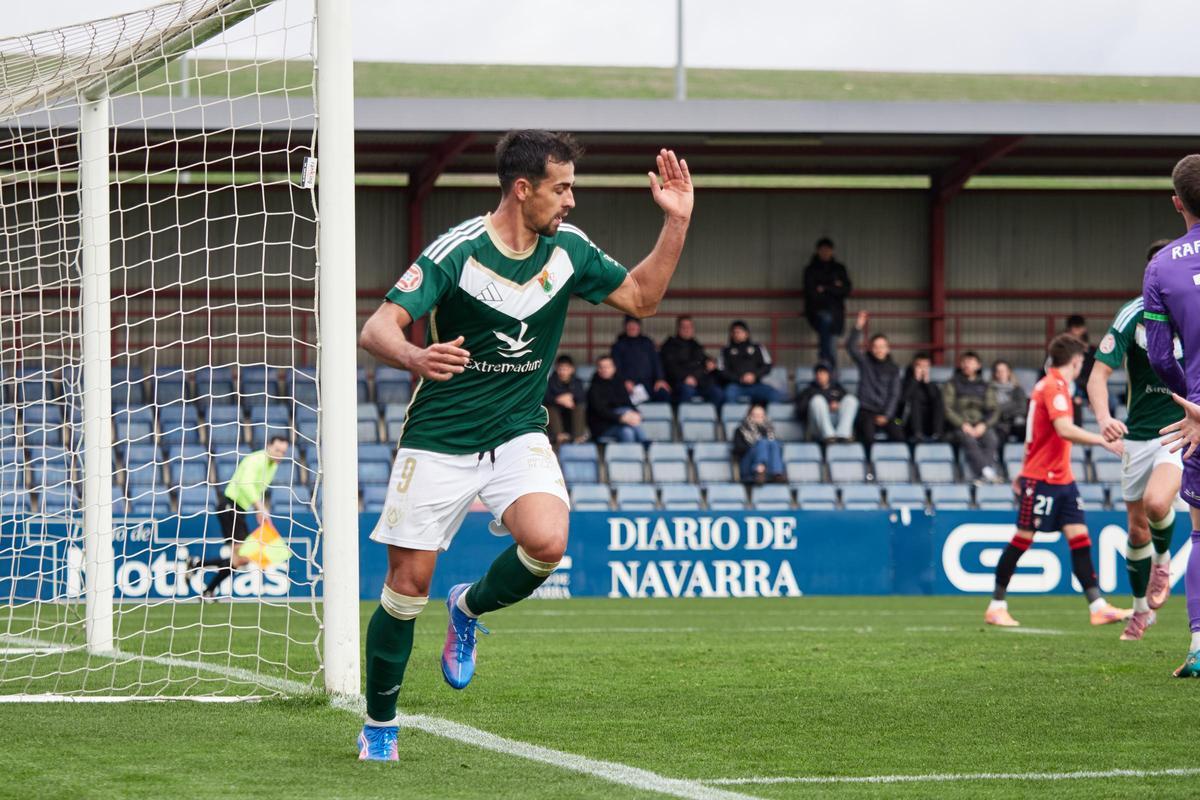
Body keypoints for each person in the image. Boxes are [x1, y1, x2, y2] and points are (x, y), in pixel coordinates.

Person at [354, 130, 693, 759]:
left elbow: (643, 300)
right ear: (523, 189)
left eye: (571, 188)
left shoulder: (568, 251)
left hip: (517, 431)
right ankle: (379, 724)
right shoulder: (458, 252)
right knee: (406, 588)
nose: (569, 201)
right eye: (561, 188)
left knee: (547, 542)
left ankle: (470, 607)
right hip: (440, 436)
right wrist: (413, 353)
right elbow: (377, 328)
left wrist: (675, 223)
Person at [984, 334, 1129, 629]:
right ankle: (996, 605)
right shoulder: (1053, 387)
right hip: (1041, 479)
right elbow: (1063, 429)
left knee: (1080, 538)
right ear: (1076, 361)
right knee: (1023, 539)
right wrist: (1102, 440)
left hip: (1062, 479)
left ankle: (1097, 606)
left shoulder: (1056, 385)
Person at [1088, 240, 1183, 641]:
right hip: (1138, 435)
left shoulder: (1192, 308)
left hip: (1179, 431)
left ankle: (1164, 562)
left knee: (1157, 503)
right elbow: (1097, 376)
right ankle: (1140, 611)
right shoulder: (1133, 313)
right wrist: (1104, 417)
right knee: (1136, 529)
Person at [1141, 153, 1200, 675]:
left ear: (1176, 202)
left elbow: (1160, 356)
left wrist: (1191, 405)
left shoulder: (1163, 266)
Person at [186, 435, 288, 600]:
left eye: (283, 452)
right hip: (230, 506)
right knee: (242, 557)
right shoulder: (255, 460)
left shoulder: (272, 465)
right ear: (268, 446)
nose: (280, 455)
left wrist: (257, 510)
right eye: (277, 450)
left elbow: (257, 488)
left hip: (240, 509)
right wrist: (260, 507)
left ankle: (198, 568)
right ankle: (206, 587)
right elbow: (245, 484)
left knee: (241, 559)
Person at [942, 351, 1002, 483]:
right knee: (969, 441)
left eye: (971, 362)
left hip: (981, 424)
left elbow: (994, 410)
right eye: (964, 362)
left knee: (992, 439)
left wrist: (984, 425)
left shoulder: (986, 386)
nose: (967, 365)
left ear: (978, 365)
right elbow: (948, 409)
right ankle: (987, 472)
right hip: (960, 425)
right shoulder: (952, 384)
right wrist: (963, 424)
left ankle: (982, 475)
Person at [845, 310, 903, 445]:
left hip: (888, 415)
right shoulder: (865, 362)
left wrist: (887, 415)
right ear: (871, 349)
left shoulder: (894, 369)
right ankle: (869, 464)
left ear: (888, 349)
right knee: (868, 437)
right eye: (876, 347)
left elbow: (895, 394)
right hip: (866, 412)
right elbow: (850, 347)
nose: (879, 350)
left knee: (900, 431)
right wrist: (858, 326)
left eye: (882, 347)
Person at [802, 237, 852, 366]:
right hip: (816, 311)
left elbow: (846, 290)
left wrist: (824, 288)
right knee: (826, 319)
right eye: (822, 250)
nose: (825, 252)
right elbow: (811, 293)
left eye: (828, 250)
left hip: (836, 314)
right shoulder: (811, 270)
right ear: (818, 251)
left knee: (832, 340)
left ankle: (828, 367)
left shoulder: (839, 269)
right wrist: (835, 287)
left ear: (832, 251)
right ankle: (826, 362)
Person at [660, 315, 722, 405]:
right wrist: (685, 377)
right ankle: (680, 418)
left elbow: (704, 360)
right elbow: (670, 367)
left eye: (689, 327)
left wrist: (710, 363)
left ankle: (710, 417)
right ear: (678, 328)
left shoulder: (696, 345)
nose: (687, 329)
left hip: (699, 382)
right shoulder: (670, 345)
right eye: (684, 327)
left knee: (717, 393)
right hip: (679, 383)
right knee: (687, 391)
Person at [586, 355, 646, 443]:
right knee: (627, 428)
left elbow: (628, 402)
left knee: (628, 428)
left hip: (623, 422)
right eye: (601, 367)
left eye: (608, 367)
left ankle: (641, 450)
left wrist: (637, 413)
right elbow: (600, 411)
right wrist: (621, 418)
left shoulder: (619, 383)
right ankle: (646, 446)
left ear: (614, 368)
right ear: (598, 369)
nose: (605, 370)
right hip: (603, 426)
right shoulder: (594, 388)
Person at [611, 315, 671, 404]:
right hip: (630, 385)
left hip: (649, 383)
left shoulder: (647, 342)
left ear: (639, 326)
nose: (632, 328)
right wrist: (624, 381)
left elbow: (656, 362)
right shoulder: (618, 345)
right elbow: (616, 367)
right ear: (625, 327)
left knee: (663, 393)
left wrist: (660, 379)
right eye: (629, 325)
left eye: (634, 325)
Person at [719, 320, 780, 405]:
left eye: (740, 332)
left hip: (756, 385)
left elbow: (768, 365)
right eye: (734, 332)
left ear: (746, 333)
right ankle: (733, 418)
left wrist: (754, 376)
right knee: (728, 393)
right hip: (736, 386)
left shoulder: (758, 347)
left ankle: (767, 417)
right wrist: (740, 378)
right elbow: (722, 370)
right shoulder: (725, 350)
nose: (737, 334)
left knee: (774, 394)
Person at [795, 362, 857, 443]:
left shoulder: (837, 388)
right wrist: (825, 407)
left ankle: (843, 435)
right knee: (817, 400)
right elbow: (800, 411)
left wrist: (838, 405)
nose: (820, 375)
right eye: (818, 373)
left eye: (823, 372)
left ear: (829, 375)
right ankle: (829, 436)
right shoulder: (809, 390)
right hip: (817, 429)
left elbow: (849, 405)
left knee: (851, 399)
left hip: (837, 425)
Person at [732, 404, 786, 484]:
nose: (759, 417)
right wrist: (756, 447)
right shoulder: (741, 430)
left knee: (774, 443)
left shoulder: (769, 430)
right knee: (762, 442)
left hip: (769, 466)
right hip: (748, 465)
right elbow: (738, 449)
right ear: (749, 416)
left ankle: (777, 473)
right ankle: (759, 469)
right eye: (756, 415)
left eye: (761, 415)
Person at [899, 351, 944, 443]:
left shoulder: (932, 384)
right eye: (919, 366)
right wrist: (915, 380)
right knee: (915, 399)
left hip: (929, 422)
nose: (923, 369)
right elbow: (902, 400)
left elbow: (936, 401)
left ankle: (937, 434)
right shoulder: (906, 382)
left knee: (938, 401)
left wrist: (927, 383)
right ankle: (917, 434)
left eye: (925, 366)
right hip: (908, 422)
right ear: (913, 366)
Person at [544, 354, 587, 445]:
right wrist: (558, 399)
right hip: (556, 415)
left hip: (570, 415)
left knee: (579, 407)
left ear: (572, 369)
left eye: (566, 369)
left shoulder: (577, 382)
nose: (563, 372)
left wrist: (570, 397)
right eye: (560, 369)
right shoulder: (551, 381)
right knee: (550, 408)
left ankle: (578, 437)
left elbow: (582, 398)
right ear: (556, 368)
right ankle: (560, 436)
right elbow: (545, 398)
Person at [1065, 314, 1098, 425]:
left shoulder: (1092, 350)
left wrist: (1092, 397)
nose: (1077, 331)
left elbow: (1096, 374)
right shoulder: (1062, 349)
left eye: (1079, 327)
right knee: (1075, 399)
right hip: (1070, 384)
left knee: (1109, 401)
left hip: (1089, 384)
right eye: (1074, 328)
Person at [988, 360, 1028, 444]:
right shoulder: (989, 390)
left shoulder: (1018, 390)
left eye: (1003, 371)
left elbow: (1022, 409)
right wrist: (1012, 405)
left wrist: (1003, 411)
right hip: (998, 424)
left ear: (1009, 372)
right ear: (995, 374)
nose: (1001, 373)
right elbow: (991, 408)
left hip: (1016, 424)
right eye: (998, 371)